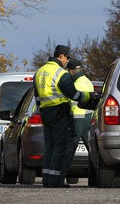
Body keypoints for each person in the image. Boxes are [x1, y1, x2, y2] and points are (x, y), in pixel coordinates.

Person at [33, 45, 89, 188]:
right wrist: (87, 96)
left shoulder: (39, 72)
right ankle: (55, 180)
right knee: (60, 147)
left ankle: (46, 178)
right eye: (67, 58)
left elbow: (37, 97)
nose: (67, 61)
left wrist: (42, 110)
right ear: (61, 56)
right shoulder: (60, 73)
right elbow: (74, 94)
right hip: (59, 113)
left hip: (45, 113)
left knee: (49, 146)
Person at [64, 59, 96, 183]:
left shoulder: (75, 83)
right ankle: (94, 178)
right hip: (88, 117)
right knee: (92, 149)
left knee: (69, 149)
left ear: (71, 71)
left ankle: (60, 176)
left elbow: (71, 101)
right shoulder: (87, 81)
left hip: (77, 118)